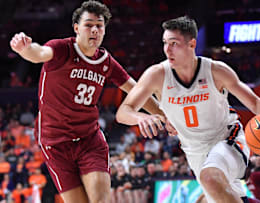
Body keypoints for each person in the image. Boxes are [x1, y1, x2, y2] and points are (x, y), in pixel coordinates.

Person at [116, 16, 260, 203]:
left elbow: (255, 103)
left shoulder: (215, 71)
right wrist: (140, 117)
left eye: (174, 43)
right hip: (194, 152)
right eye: (165, 43)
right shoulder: (156, 75)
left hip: (228, 139)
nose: (167, 49)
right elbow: (123, 112)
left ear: (192, 44)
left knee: (210, 178)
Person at [9, 1, 162, 202]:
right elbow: (38, 54)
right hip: (55, 144)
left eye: (99, 25)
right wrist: (24, 49)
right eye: (89, 25)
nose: (94, 30)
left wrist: (166, 115)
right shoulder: (62, 48)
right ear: (76, 28)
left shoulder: (106, 62)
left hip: (89, 140)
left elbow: (137, 90)